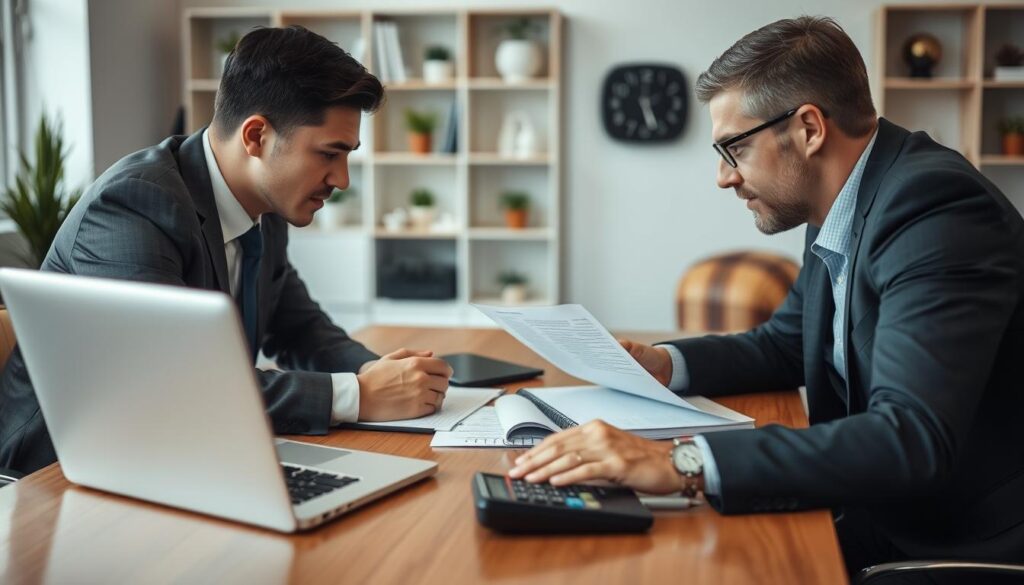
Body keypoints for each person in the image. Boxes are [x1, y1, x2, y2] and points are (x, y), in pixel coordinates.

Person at [510, 16, 1024, 574]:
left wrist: (680, 460)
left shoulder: (933, 208)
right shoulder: (844, 198)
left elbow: (910, 438)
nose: (723, 178)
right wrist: (663, 364)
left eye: (734, 148)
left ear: (808, 129)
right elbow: (785, 344)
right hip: (882, 512)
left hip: (953, 543)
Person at [0, 26, 453, 474]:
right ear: (256, 136)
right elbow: (172, 384)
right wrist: (358, 394)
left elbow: (300, 329)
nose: (342, 179)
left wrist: (384, 374)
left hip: (174, 454)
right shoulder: (135, 205)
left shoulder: (265, 206)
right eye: (328, 154)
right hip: (56, 475)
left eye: (347, 155)